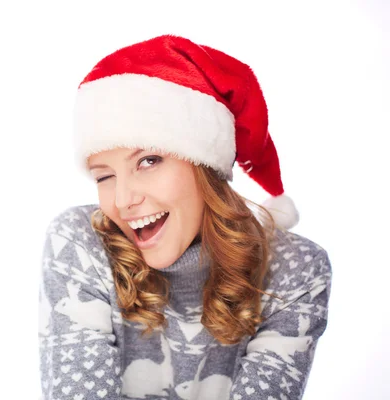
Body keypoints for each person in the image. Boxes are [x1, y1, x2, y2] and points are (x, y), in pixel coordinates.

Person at [37, 34, 332, 400]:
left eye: (149, 161)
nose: (125, 200)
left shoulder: (296, 269)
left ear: (204, 165)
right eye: (104, 176)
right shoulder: (80, 243)